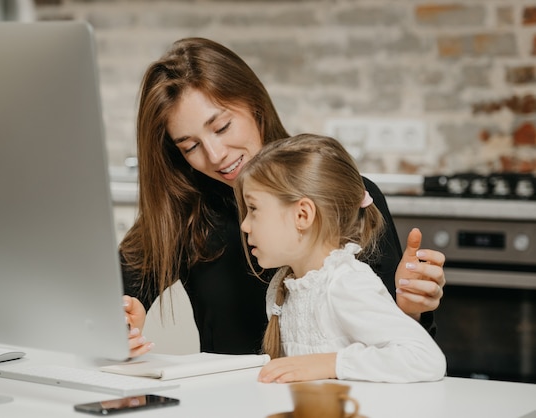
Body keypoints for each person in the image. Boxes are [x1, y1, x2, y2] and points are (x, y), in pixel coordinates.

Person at [120, 37, 446, 358]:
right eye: (190, 146)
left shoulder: (348, 196)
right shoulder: (185, 211)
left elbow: (405, 352)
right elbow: (106, 302)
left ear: (255, 105)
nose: (216, 155)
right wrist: (120, 324)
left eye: (221, 127)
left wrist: (411, 309)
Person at [234, 133, 446, 383]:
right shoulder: (282, 288)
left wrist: (333, 363)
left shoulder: (346, 284)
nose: (245, 225)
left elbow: (427, 359)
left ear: (302, 215)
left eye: (254, 209)